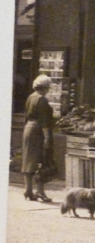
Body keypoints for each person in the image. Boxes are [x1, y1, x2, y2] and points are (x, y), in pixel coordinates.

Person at [21, 74, 55, 202]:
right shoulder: (42, 99)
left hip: (28, 128)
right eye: (48, 87)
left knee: (28, 160)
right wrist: (47, 138)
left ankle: (28, 189)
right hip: (38, 130)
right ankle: (40, 191)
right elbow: (44, 120)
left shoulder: (31, 97)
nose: (48, 90)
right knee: (41, 161)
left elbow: (26, 114)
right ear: (45, 87)